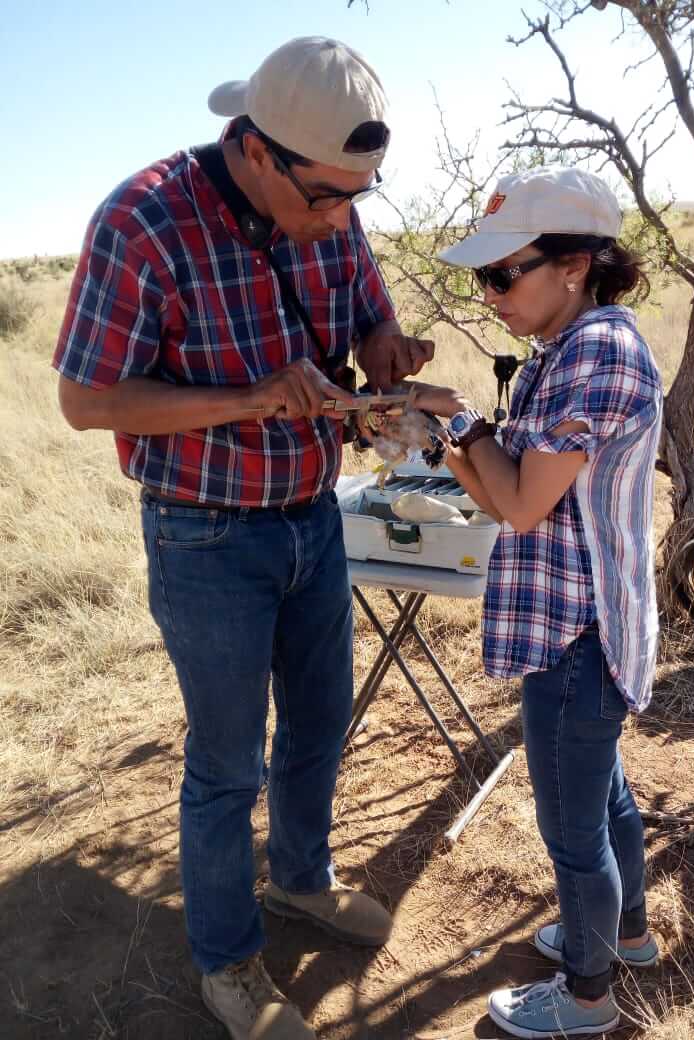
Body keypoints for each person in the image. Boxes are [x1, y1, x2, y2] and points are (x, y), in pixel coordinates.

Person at [53, 36, 435, 1040]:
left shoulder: (329, 204)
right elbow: (87, 400)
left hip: (315, 512)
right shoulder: (145, 221)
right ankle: (227, 960)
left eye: (362, 194)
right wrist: (252, 397)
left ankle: (301, 879)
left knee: (318, 722)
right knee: (229, 760)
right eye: (325, 197)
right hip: (205, 532)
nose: (341, 218)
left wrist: (383, 348)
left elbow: (363, 317)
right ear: (255, 151)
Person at [410, 166, 663, 1038]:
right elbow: (505, 496)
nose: (488, 296)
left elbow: (517, 503)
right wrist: (452, 432)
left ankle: (588, 996)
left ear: (575, 265)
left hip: (576, 634)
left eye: (501, 274)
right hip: (584, 625)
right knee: (607, 800)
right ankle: (624, 934)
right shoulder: (567, 350)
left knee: (571, 833)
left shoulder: (596, 354)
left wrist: (462, 420)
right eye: (482, 277)